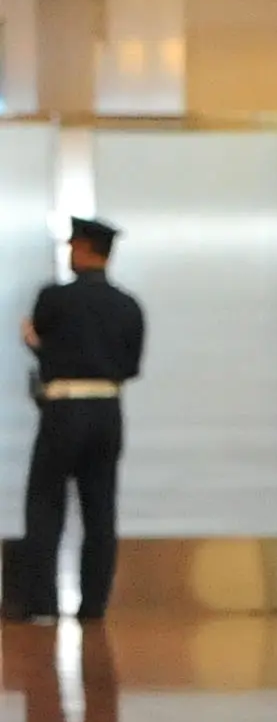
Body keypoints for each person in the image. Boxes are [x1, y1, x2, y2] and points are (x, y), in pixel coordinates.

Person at [14, 219, 145, 623]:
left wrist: (35, 345)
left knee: (45, 504)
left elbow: (44, 342)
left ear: (86, 250)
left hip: (63, 408)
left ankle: (42, 605)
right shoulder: (129, 305)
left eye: (74, 246)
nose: (70, 253)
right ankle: (93, 607)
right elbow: (129, 364)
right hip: (107, 410)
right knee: (100, 508)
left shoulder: (54, 298)